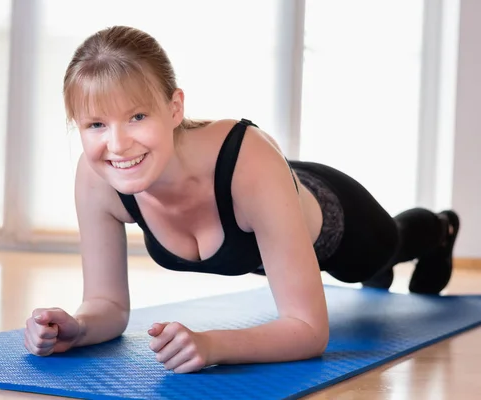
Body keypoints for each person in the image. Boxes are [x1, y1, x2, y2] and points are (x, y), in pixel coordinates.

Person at [24, 25, 460, 373]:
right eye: (95, 124)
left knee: (385, 251)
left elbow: (308, 330)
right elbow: (110, 307)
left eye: (137, 116)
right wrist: (77, 328)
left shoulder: (247, 158)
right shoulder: (97, 177)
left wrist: (213, 345)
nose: (117, 145)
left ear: (174, 108)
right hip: (265, 203)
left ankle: (441, 230)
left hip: (333, 218)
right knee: (372, 276)